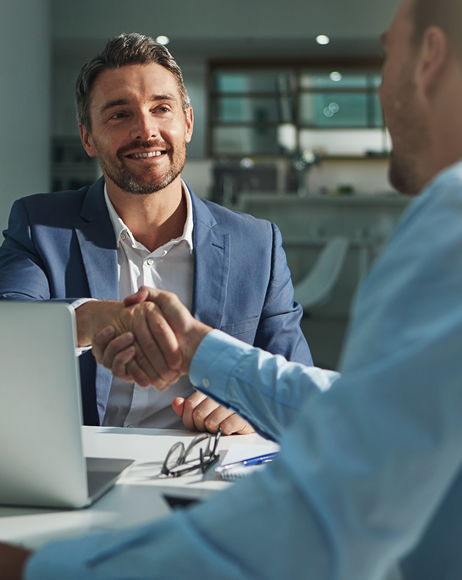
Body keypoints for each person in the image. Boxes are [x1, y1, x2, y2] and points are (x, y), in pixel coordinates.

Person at [3, 0, 462, 577]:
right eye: (120, 113)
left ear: (428, 58)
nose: (380, 87)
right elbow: (361, 413)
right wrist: (203, 350)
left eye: (386, 54)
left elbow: (327, 512)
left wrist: (47, 568)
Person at [0, 33, 312, 434]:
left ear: (187, 122)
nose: (145, 130)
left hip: (203, 470)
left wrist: (251, 408)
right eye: (119, 114)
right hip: (79, 471)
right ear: (87, 138)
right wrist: (99, 319)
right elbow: (9, 327)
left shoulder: (257, 244)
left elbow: (297, 385)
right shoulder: (38, 225)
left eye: (161, 108)